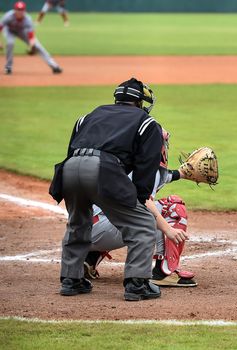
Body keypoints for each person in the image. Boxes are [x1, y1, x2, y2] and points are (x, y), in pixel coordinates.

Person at [49, 77, 167, 301]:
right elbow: (147, 163)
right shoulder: (146, 122)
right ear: (140, 102)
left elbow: (72, 149)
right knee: (143, 223)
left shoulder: (88, 117)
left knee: (78, 222)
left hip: (69, 169)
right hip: (103, 169)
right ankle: (137, 284)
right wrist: (140, 196)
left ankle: (71, 280)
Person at [83, 128, 197, 288]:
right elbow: (144, 201)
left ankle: (89, 259)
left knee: (119, 209)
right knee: (173, 207)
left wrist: (183, 173)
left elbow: (158, 178)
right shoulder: (149, 167)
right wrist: (168, 230)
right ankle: (164, 272)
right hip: (105, 231)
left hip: (82, 230)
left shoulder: (118, 159)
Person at [0, 1, 62, 75]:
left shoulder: (27, 19)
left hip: (21, 31)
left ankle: (54, 66)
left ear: (24, 11)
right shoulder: (8, 16)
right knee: (10, 43)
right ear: (14, 10)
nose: (20, 12)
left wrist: (32, 46)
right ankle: (8, 67)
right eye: (18, 10)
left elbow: (31, 36)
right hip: (9, 31)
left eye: (21, 10)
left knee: (37, 46)